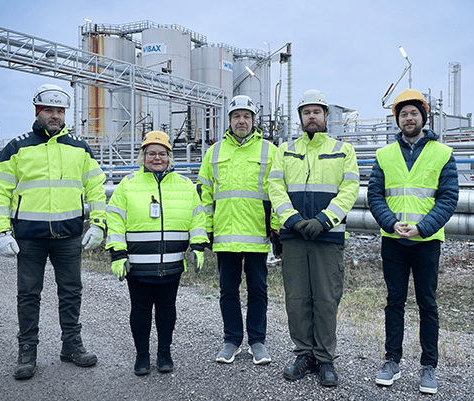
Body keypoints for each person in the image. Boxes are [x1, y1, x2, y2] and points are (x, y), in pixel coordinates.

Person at [0, 83, 107, 380]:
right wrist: (2, 232)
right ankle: (27, 349)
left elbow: (95, 186)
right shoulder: (17, 147)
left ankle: (71, 345)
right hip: (29, 237)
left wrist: (99, 223)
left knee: (71, 292)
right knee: (28, 294)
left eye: (60, 111)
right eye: (49, 111)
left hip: (68, 235)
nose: (55, 116)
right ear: (37, 112)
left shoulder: (79, 147)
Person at [367, 88, 459, 395]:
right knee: (394, 302)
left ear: (423, 117)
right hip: (393, 240)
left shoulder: (442, 154)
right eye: (403, 114)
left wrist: (423, 228)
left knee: (427, 304)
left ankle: (428, 366)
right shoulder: (384, 155)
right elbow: (375, 195)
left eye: (414, 113)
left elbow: (448, 199)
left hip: (426, 241)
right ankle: (391, 360)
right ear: (398, 119)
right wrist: (391, 223)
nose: (409, 118)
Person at [268, 89, 359, 387]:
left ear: (325, 115)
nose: (311, 116)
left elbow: (349, 190)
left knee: (326, 298)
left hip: (327, 237)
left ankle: (325, 358)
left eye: (316, 111)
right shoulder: (285, 150)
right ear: (300, 117)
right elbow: (275, 186)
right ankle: (303, 355)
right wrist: (291, 219)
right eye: (306, 112)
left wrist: (324, 220)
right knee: (296, 299)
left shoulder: (343, 150)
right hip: (295, 238)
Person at [105, 131, 208, 375]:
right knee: (140, 311)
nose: (157, 158)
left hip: (172, 265)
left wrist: (198, 245)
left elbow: (198, 218)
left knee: (167, 311)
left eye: (162, 154)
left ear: (170, 157)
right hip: (139, 267)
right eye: (151, 153)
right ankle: (142, 356)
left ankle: (164, 354)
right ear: (143, 156)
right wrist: (118, 253)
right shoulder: (128, 185)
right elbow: (116, 220)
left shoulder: (185, 186)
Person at [196, 95, 279, 365]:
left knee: (258, 291)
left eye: (246, 116)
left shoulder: (269, 151)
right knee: (228, 291)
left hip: (257, 235)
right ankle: (231, 340)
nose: (241, 121)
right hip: (224, 235)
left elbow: (279, 194)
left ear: (254, 121)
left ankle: (257, 341)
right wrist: (206, 229)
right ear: (229, 121)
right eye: (236, 116)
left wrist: (277, 232)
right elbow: (204, 195)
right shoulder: (215, 152)